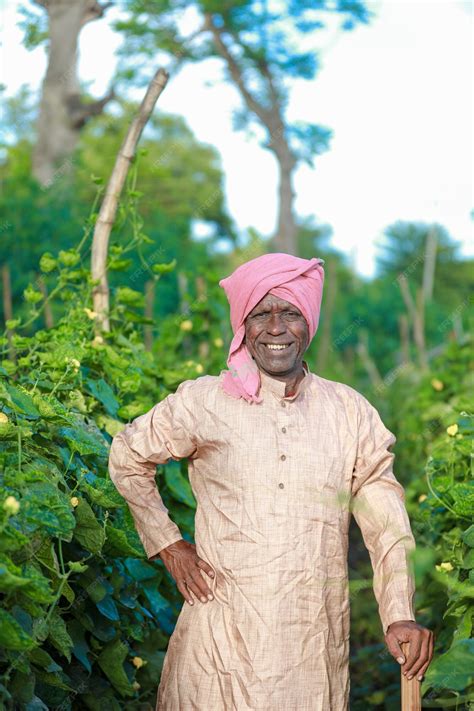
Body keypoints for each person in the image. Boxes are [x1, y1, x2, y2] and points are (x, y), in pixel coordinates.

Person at [108, 252, 434, 710]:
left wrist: (398, 613)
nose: (276, 328)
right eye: (261, 313)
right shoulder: (206, 400)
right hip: (218, 641)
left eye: (291, 313)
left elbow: (387, 525)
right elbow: (127, 454)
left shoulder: (349, 412)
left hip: (310, 644)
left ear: (310, 323)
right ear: (244, 324)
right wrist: (168, 543)